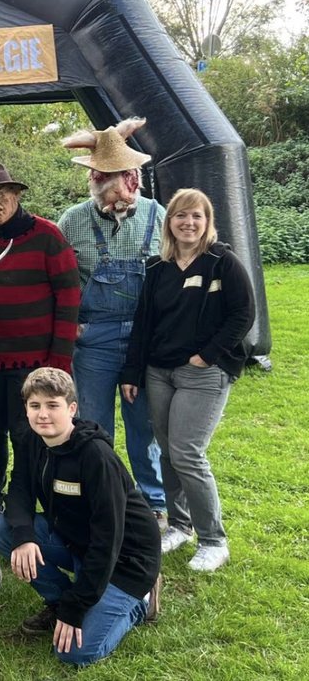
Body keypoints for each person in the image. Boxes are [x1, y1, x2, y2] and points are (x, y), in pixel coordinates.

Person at [120, 188, 254, 572]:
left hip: (203, 373)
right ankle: (179, 525)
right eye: (181, 215)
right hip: (158, 372)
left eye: (196, 215)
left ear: (207, 221)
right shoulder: (157, 268)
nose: (188, 222)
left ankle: (214, 540)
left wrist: (207, 355)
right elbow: (143, 323)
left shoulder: (222, 262)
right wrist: (132, 371)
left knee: (187, 453)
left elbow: (244, 313)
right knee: (166, 451)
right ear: (170, 222)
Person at [0, 367, 161, 666]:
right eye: (35, 405)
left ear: (71, 408)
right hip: (76, 541)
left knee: (74, 653)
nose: (43, 414)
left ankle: (142, 602)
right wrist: (24, 537)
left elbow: (108, 539)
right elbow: (19, 490)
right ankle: (60, 600)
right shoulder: (32, 439)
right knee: (3, 529)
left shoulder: (96, 457)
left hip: (124, 560)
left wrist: (78, 607)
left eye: (52, 405)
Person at [57, 118, 167, 527]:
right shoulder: (72, 221)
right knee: (93, 423)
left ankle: (154, 503)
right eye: (104, 179)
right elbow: (59, 279)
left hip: (145, 339)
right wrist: (70, 325)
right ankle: (101, 495)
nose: (115, 189)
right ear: (94, 179)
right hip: (93, 340)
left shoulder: (158, 215)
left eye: (122, 178)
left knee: (144, 425)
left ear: (133, 176)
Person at [0, 163, 80, 514]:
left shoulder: (47, 235)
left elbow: (69, 296)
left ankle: (26, 500)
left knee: (28, 434)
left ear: (16, 195)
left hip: (34, 360)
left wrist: (59, 362)